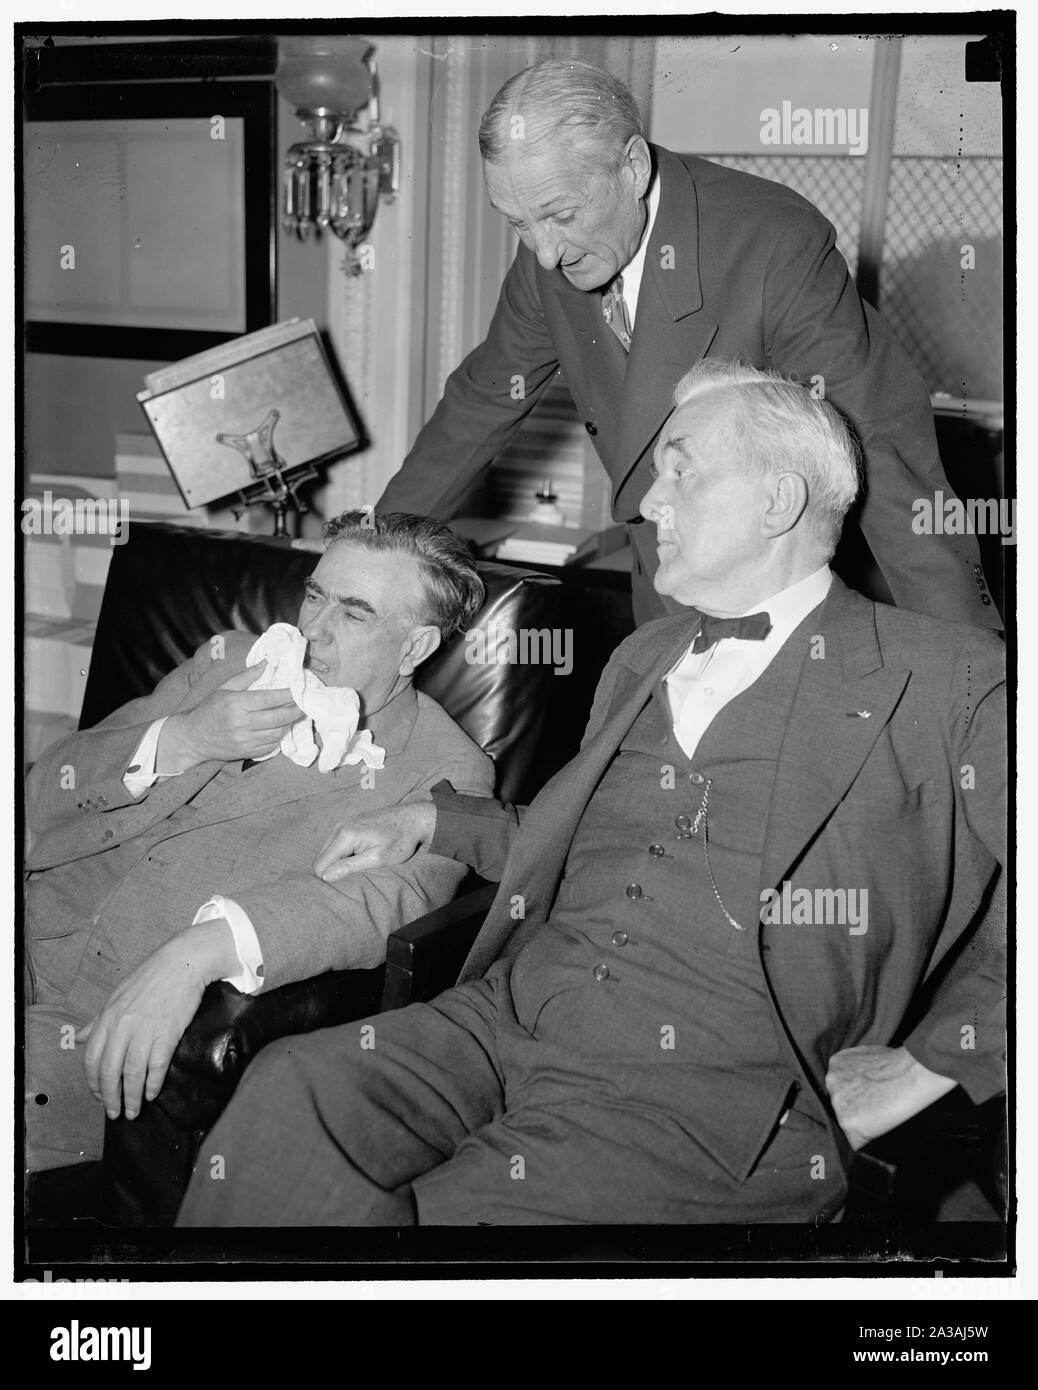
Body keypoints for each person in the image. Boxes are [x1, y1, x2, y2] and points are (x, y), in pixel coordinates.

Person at [177, 362, 1005, 1227]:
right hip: (509, 1020)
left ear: (778, 502)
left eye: (681, 468)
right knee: (290, 1094)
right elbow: (600, 834)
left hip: (711, 1106)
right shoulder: (640, 660)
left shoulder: (949, 680)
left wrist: (941, 1063)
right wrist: (437, 818)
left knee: (445, 1230)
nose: (648, 502)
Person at [377, 58, 998, 631]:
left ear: (633, 167)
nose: (544, 252)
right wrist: (372, 555)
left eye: (561, 214)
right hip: (665, 599)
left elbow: (885, 455)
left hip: (786, 603)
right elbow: (480, 404)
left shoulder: (772, 244)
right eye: (517, 221)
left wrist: (970, 675)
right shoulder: (548, 251)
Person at [24, 511, 495, 1172]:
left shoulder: (446, 770)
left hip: (102, 1023)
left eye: (355, 613)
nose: (312, 632)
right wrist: (186, 738)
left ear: (415, 648)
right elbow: (43, 795)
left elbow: (373, 906)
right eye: (314, 595)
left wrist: (198, 951)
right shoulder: (230, 659)